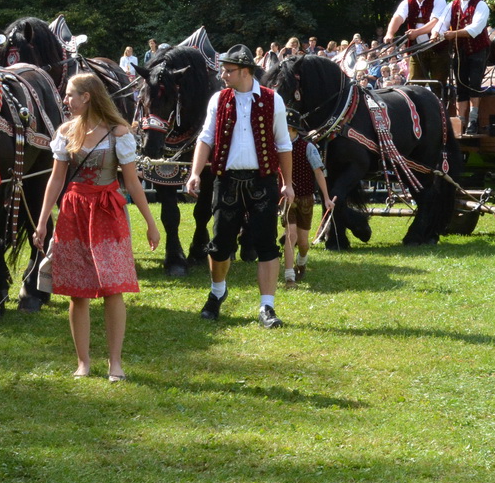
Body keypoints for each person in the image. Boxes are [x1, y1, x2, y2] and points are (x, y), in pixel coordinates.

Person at [32, 72, 160, 381]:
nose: (65, 100)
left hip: (107, 212)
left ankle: (115, 363)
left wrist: (150, 223)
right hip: (74, 211)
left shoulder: (118, 133)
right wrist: (42, 222)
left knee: (113, 287)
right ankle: (83, 363)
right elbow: (56, 179)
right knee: (78, 290)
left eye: (70, 94)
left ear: (87, 96)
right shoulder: (65, 132)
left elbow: (131, 181)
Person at [185, 45, 293, 328]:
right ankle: (217, 292)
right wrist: (195, 173)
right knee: (220, 245)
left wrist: (288, 184)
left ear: (245, 71)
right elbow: (205, 138)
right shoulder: (218, 100)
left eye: (228, 70)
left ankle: (267, 307)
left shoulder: (273, 100)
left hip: (263, 181)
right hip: (226, 180)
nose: (223, 75)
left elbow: (284, 144)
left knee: (267, 245)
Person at [442, 0, 492, 136]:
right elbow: (442, 24)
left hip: (478, 50)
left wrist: (452, 34)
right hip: (461, 51)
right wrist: (437, 33)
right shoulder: (453, 5)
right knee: (461, 84)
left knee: (474, 84)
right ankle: (460, 120)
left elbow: (475, 29)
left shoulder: (480, 5)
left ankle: (473, 119)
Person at [385, 0, 449, 88]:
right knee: (414, 85)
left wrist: (417, 32)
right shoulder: (407, 3)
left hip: (438, 49)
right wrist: (390, 33)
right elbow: (397, 17)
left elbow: (435, 21)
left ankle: (441, 105)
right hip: (417, 50)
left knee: (438, 85)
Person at [282, 141, 330, 287]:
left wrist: (326, 198)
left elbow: (318, 172)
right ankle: (289, 276)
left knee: (303, 242)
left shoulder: (308, 147)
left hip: (305, 199)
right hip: (287, 199)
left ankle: (302, 261)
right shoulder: (278, 145)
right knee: (291, 235)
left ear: (293, 129)